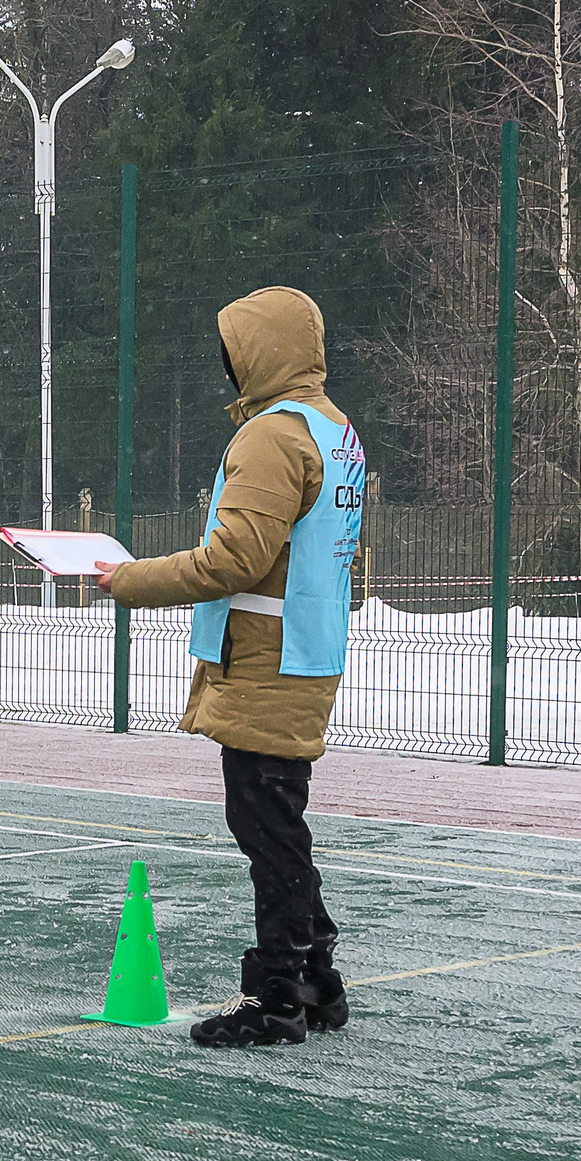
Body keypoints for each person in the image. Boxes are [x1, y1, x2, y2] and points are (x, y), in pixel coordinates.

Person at [96, 287, 364, 1048]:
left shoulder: (272, 437)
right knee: (276, 819)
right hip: (304, 649)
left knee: (266, 823)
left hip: (267, 658)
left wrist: (129, 579)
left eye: (233, 350)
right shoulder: (333, 428)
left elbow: (234, 558)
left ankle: (280, 994)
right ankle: (315, 977)